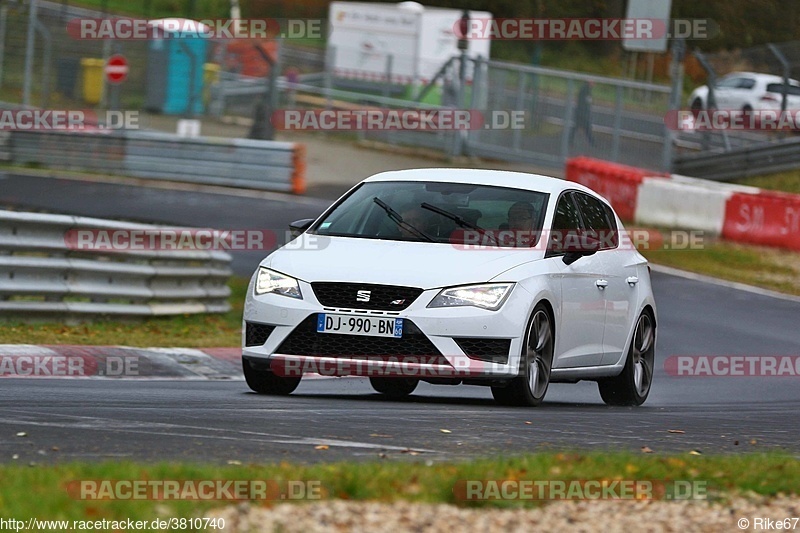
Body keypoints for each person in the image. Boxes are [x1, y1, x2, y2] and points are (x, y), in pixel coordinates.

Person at [569, 80, 595, 147]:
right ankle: (591, 142)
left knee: (584, 127)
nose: (594, 84)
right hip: (581, 113)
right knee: (580, 127)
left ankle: (591, 142)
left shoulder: (587, 90)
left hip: (582, 112)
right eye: (592, 82)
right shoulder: (585, 90)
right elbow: (584, 101)